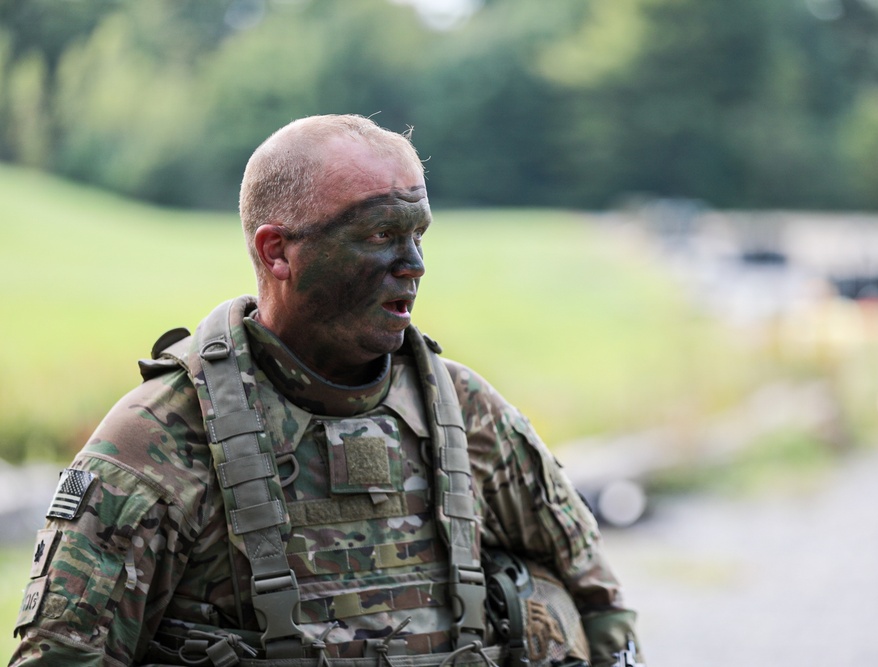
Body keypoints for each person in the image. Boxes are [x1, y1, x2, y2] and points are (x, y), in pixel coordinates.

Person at [9, 115, 641, 667]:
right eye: (378, 234)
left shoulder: (466, 414)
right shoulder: (158, 442)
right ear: (277, 251)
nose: (414, 263)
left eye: (418, 233)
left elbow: (600, 606)